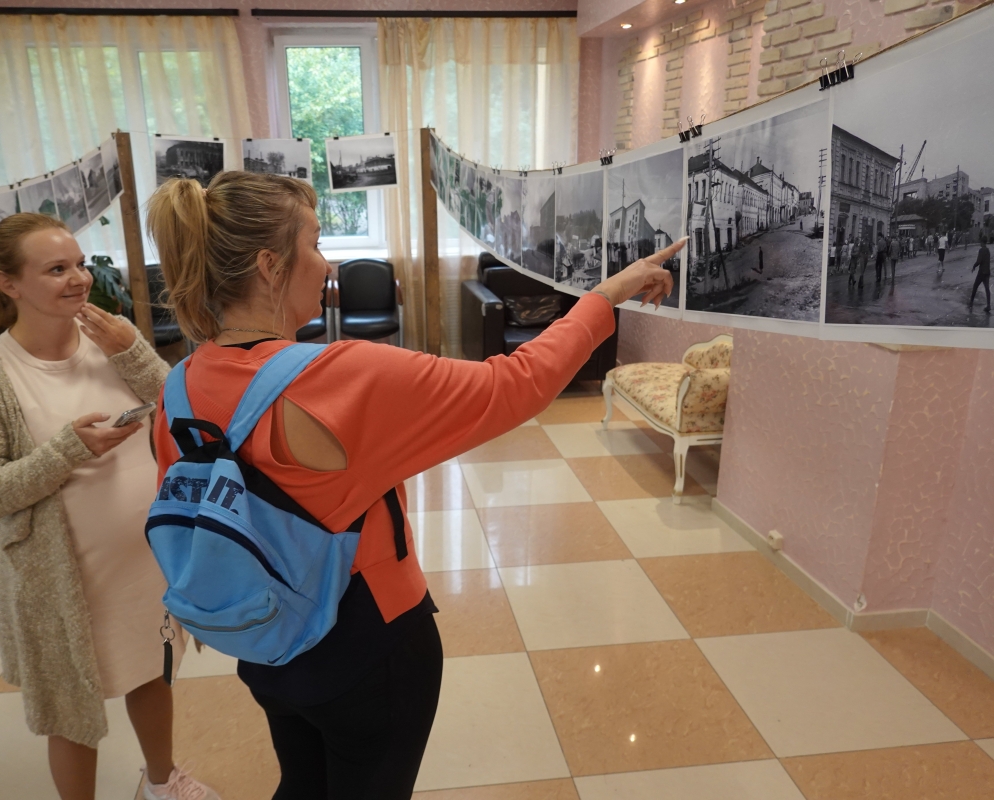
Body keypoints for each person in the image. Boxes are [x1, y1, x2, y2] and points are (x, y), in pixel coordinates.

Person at [144, 173, 677, 799]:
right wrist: (608, 294)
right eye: (315, 243)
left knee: (302, 782)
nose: (328, 264)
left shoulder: (177, 389)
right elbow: (515, 384)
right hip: (367, 645)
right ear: (269, 266)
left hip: (261, 642)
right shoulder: (340, 378)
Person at [0, 214, 217, 800]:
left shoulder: (111, 339)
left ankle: (162, 781)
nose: (79, 279)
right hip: (62, 583)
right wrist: (69, 449)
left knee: (153, 671)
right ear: (9, 284)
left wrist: (132, 352)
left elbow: (183, 411)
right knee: (72, 712)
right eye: (56, 269)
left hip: (145, 563)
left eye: (80, 264)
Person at [969, 235, 992, 313]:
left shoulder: (981, 250)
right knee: (987, 289)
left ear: (982, 242)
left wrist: (974, 266)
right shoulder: (988, 250)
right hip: (987, 272)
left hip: (981, 272)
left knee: (975, 286)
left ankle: (971, 302)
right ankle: (988, 305)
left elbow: (979, 261)